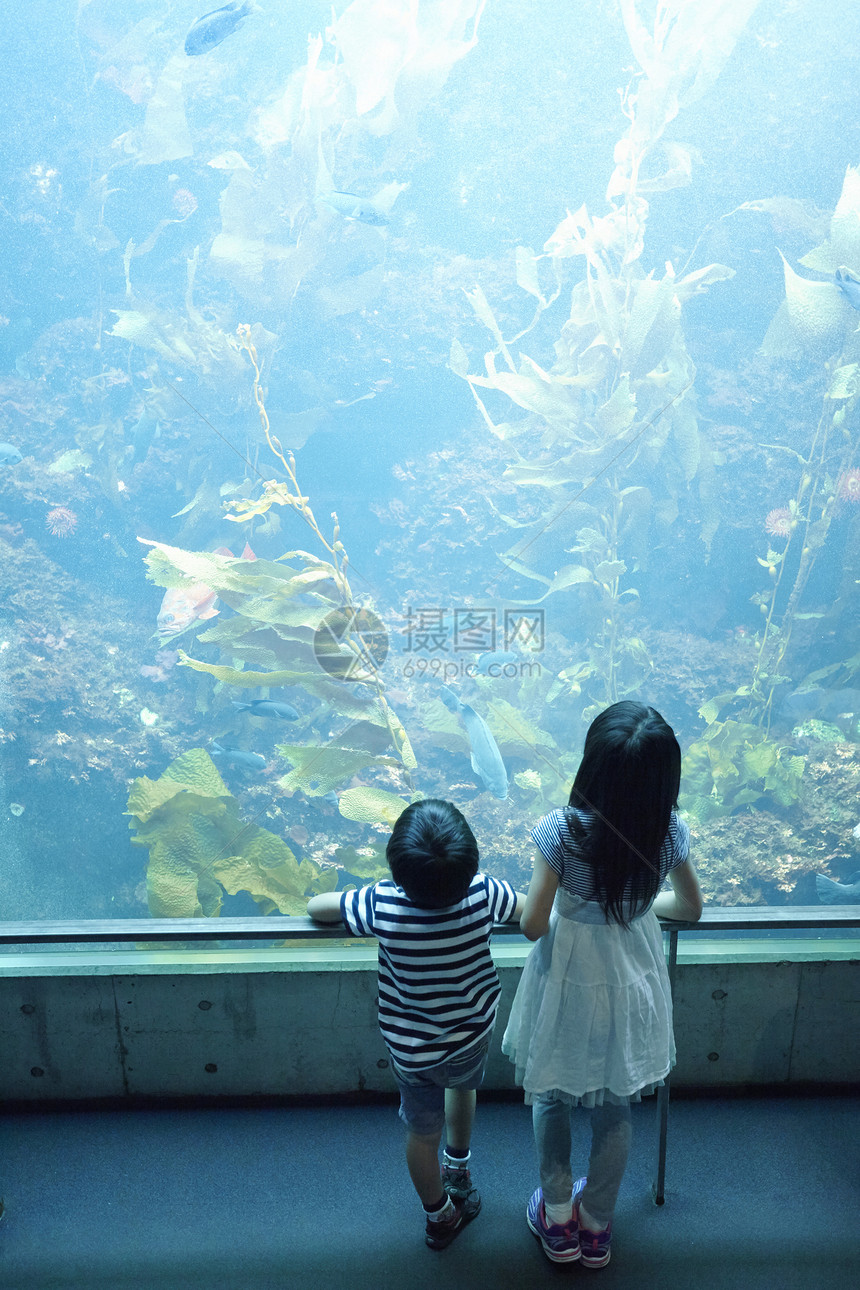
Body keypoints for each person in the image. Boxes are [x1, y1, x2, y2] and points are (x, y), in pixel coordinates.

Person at [502, 701, 703, 1269]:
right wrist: (637, 907)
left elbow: (533, 924)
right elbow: (690, 907)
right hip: (631, 973)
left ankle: (558, 1216)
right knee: (617, 1100)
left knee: (551, 1091)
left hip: (566, 975)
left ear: (591, 765)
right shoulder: (670, 831)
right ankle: (596, 1225)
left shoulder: (560, 832)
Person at [307, 797, 526, 1249]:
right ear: (471, 865)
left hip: (411, 1049)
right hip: (469, 1034)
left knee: (420, 1133)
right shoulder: (484, 893)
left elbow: (318, 906)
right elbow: (527, 909)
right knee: (464, 1088)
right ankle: (459, 1166)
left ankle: (440, 1215)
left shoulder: (382, 904)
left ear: (397, 871)